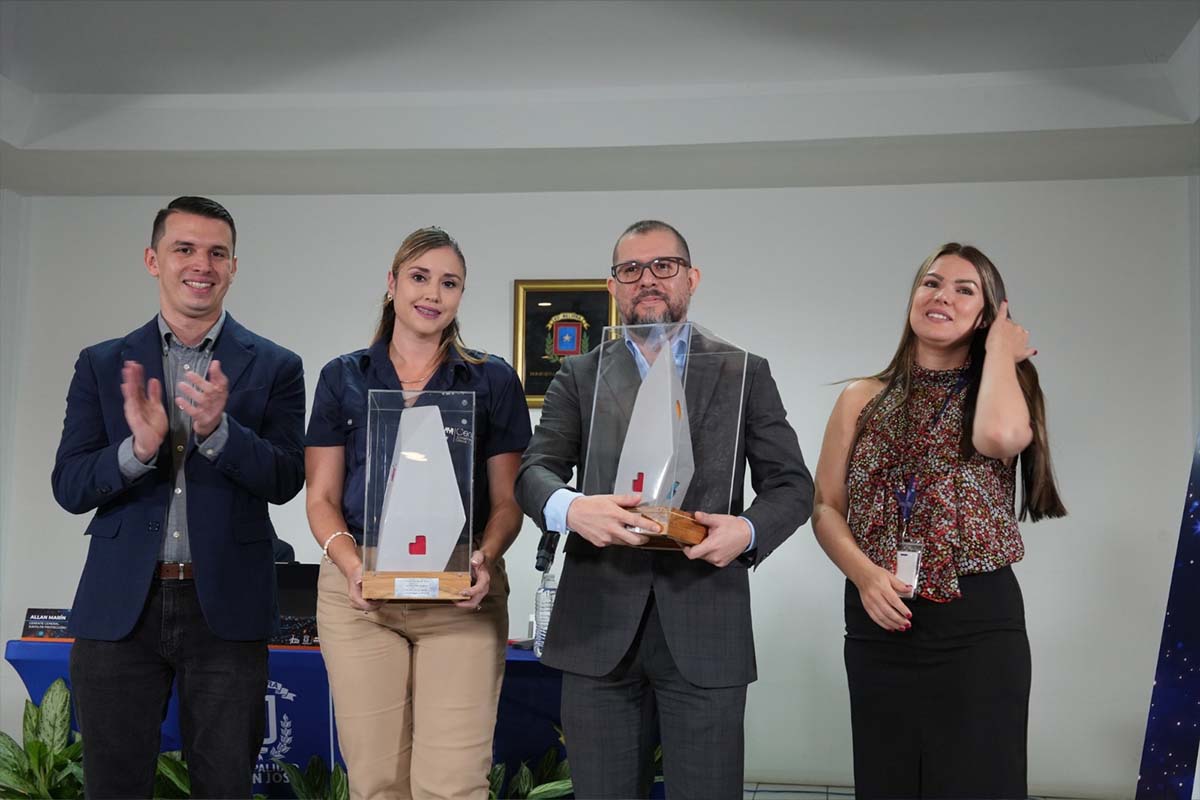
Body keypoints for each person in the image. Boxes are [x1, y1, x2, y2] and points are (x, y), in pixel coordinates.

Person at [514, 220, 813, 799]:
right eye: (631, 269)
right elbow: (533, 472)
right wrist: (572, 509)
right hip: (596, 624)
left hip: (707, 619)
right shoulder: (579, 375)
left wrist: (747, 531)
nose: (647, 279)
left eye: (663, 266)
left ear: (691, 278)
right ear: (613, 286)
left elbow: (792, 486)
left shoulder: (743, 371)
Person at [51, 195, 306, 798]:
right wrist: (137, 451)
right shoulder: (101, 363)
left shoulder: (276, 365)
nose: (202, 264)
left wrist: (220, 433)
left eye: (217, 253)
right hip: (121, 608)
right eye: (184, 248)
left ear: (233, 267)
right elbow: (70, 485)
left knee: (224, 786)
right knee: (112, 787)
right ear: (153, 260)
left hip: (228, 609)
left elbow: (287, 478)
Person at [812, 242, 1067, 799]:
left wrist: (999, 351)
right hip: (881, 614)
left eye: (964, 290)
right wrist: (864, 575)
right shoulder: (862, 397)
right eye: (931, 283)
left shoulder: (1002, 391)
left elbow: (1000, 437)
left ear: (987, 313)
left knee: (979, 783)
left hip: (978, 625)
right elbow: (826, 505)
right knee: (889, 782)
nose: (942, 296)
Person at [305, 227, 531, 800]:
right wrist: (352, 566)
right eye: (419, 277)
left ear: (461, 295)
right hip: (361, 594)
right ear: (392, 283)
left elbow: (509, 502)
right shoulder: (342, 377)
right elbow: (321, 499)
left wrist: (484, 559)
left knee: (452, 786)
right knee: (376, 783)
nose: (433, 293)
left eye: (449, 283)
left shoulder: (492, 379)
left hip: (460, 592)